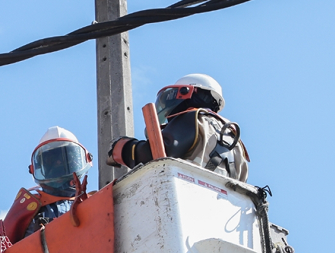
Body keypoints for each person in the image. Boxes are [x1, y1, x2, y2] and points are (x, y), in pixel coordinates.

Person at [0, 126, 93, 253]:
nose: (59, 164)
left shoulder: (92, 203)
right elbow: (2, 242)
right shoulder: (30, 204)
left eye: (65, 159)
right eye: (52, 161)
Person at [106, 73, 249, 181]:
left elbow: (158, 154)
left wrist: (123, 147)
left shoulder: (192, 117)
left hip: (187, 197)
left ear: (187, 91)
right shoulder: (235, 140)